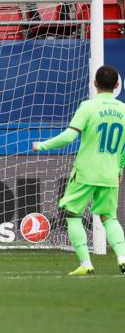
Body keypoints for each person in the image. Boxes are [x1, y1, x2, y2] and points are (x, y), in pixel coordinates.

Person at [33, 65, 125, 276]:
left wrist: (42, 145)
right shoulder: (124, 110)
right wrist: (119, 168)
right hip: (110, 172)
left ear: (94, 84)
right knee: (109, 217)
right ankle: (122, 257)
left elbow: (68, 137)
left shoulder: (88, 106)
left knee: (72, 214)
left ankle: (86, 263)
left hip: (86, 172)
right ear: (117, 86)